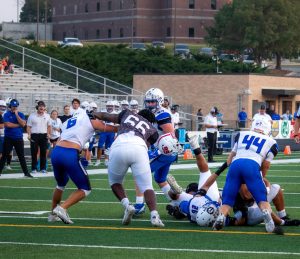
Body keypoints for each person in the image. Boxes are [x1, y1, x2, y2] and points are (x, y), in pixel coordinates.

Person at [93, 108, 164, 227]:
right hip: (139, 148)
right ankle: (154, 215)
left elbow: (106, 116)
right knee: (147, 186)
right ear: (150, 121)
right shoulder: (152, 130)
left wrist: (94, 113)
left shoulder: (127, 114)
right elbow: (148, 144)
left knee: (115, 182)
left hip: (119, 146)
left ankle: (127, 205)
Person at [212, 117, 282, 234]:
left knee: (228, 199)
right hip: (252, 165)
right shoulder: (271, 142)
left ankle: (221, 216)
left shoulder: (241, 134)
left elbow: (230, 159)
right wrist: (259, 178)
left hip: (235, 165)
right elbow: (265, 166)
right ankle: (266, 214)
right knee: (261, 198)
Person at [49, 106, 118, 224]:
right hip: (69, 153)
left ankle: (52, 214)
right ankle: (62, 208)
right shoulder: (88, 118)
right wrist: (127, 126)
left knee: (60, 184)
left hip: (56, 152)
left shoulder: (67, 122)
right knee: (85, 189)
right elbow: (108, 128)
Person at [134, 88, 179, 215]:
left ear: (159, 101)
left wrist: (158, 152)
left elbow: (171, 135)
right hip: (165, 151)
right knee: (160, 178)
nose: (150, 105)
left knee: (140, 173)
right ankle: (176, 202)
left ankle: (139, 205)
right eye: (148, 102)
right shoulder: (153, 113)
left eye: (153, 102)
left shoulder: (162, 114)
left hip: (165, 151)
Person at [166, 133, 221, 226]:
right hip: (209, 203)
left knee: (175, 197)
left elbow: (178, 200)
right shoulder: (192, 201)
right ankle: (195, 146)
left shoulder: (191, 201)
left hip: (198, 207)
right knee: (205, 170)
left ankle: (173, 191)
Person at [0, 99, 32, 177]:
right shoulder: (6, 114)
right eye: (13, 106)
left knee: (21, 156)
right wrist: (18, 125)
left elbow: (23, 124)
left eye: (15, 106)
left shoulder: (20, 114)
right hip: (9, 138)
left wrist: (17, 115)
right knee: (4, 155)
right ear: (10, 106)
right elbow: (7, 125)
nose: (14, 107)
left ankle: (26, 173)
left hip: (18, 138)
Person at [27, 101, 51, 174]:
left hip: (44, 135)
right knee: (34, 152)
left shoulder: (47, 116)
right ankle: (34, 168)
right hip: (34, 135)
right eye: (40, 106)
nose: (41, 107)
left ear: (44, 108)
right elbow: (28, 126)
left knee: (43, 152)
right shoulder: (32, 116)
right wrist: (29, 134)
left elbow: (49, 126)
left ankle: (42, 168)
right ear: (37, 107)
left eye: (43, 106)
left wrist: (49, 134)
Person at [94, 100, 115, 167]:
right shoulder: (103, 112)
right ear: (106, 106)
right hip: (104, 130)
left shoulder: (115, 113)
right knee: (100, 145)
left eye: (111, 106)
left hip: (111, 131)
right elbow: (99, 120)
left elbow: (116, 124)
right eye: (108, 106)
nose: (109, 107)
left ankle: (106, 160)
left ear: (113, 107)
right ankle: (98, 160)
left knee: (108, 147)